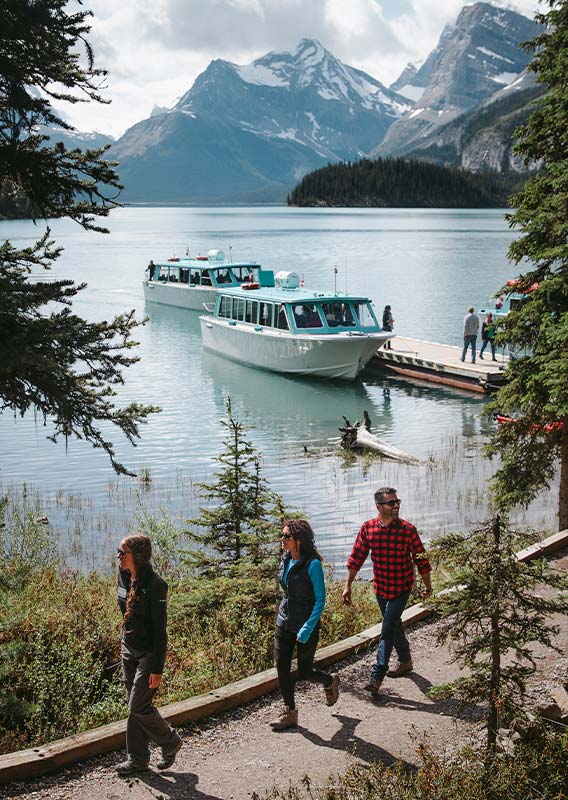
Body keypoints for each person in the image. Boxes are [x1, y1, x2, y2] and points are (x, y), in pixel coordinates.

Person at [342, 487, 432, 695]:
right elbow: (357, 558)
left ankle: (377, 675)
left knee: (387, 627)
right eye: (391, 503)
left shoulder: (408, 530)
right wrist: (347, 585)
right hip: (381, 588)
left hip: (402, 587)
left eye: (397, 502)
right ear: (379, 507)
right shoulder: (368, 529)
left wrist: (428, 587)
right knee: (394, 625)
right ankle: (405, 660)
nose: (396, 506)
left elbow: (422, 561)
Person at [115, 534, 182, 775]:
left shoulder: (156, 585)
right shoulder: (123, 575)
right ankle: (138, 759)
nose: (119, 556)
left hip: (148, 654)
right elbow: (126, 611)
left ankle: (170, 740)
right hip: (128, 648)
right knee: (136, 705)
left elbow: (159, 632)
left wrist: (157, 669)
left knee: (136, 705)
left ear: (138, 556)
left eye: (123, 553)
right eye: (118, 552)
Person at [271, 519, 340, 731]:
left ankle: (329, 681)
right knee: (281, 666)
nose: (282, 540)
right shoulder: (285, 559)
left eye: (286, 537)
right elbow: (287, 590)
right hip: (285, 622)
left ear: (299, 540)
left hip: (306, 625)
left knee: (305, 671)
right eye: (282, 536)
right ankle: (290, 712)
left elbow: (320, 600)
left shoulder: (313, 565)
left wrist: (307, 627)